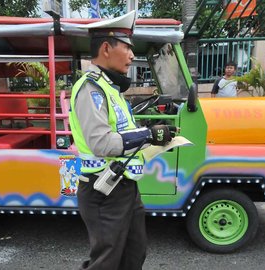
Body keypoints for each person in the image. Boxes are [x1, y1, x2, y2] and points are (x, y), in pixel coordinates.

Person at [69, 11, 176, 270]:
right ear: (106, 48)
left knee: (134, 254)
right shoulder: (90, 88)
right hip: (103, 189)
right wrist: (147, 135)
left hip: (125, 185)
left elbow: (125, 132)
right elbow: (102, 143)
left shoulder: (113, 89)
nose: (131, 55)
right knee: (106, 261)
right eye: (127, 48)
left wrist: (153, 137)